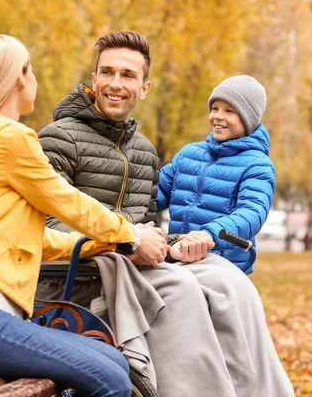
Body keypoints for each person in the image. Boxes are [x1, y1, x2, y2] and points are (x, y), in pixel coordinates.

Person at [37, 31, 294, 396]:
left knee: (230, 283)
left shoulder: (143, 151)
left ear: (144, 87)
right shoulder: (58, 137)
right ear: (93, 80)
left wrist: (177, 241)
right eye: (107, 72)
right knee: (183, 287)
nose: (115, 83)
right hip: (77, 274)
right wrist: (128, 242)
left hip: (135, 261)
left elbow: (147, 216)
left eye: (128, 75)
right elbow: (47, 221)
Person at [0, 34, 169, 397]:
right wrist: (133, 235)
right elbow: (67, 202)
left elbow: (34, 239)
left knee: (114, 363)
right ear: (19, 77)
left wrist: (103, 245)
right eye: (31, 71)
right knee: (108, 379)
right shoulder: (8, 138)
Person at [157, 75, 275, 274]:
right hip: (176, 262)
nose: (218, 116)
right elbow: (154, 192)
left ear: (248, 120)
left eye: (229, 111)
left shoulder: (258, 165)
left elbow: (251, 213)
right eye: (215, 108)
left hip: (222, 269)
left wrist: (209, 234)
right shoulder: (189, 154)